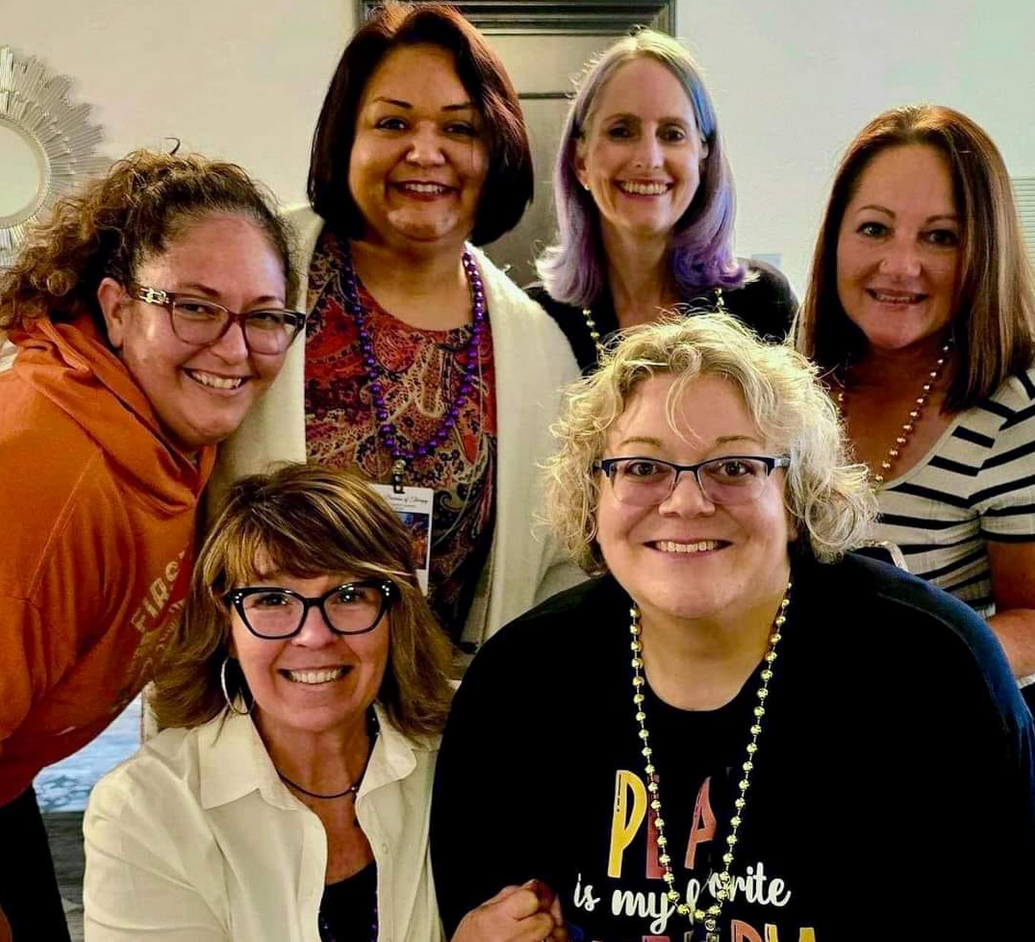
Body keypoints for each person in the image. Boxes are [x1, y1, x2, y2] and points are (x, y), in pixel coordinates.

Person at [431, 313, 1035, 940]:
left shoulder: (933, 669)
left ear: (796, 499)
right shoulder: (521, 683)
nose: (686, 502)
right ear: (593, 498)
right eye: (642, 468)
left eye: (735, 467)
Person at [0, 151, 303, 941]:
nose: (235, 351)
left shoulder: (163, 434)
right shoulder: (50, 475)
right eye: (195, 307)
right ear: (117, 307)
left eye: (265, 316)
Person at [216, 2, 582, 649]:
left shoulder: (538, 345)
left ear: (496, 146)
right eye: (392, 122)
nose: (425, 151)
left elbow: (555, 566)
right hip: (258, 702)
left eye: (459, 129)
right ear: (344, 138)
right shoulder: (256, 269)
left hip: (449, 719)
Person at [83, 464, 567, 942]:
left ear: (394, 615)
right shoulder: (145, 809)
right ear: (226, 627)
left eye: (350, 595)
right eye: (272, 601)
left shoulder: (469, 750)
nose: (314, 635)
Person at [795, 104, 1035, 709]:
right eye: (875, 228)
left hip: (934, 738)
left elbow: (1032, 617)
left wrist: (909, 669)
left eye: (940, 237)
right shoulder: (791, 378)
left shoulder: (1013, 408)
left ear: (984, 250)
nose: (900, 266)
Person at [529, 29, 796, 373]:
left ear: (703, 156)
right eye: (621, 131)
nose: (649, 158)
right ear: (580, 161)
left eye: (672, 134)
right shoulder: (538, 321)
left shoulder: (762, 303)